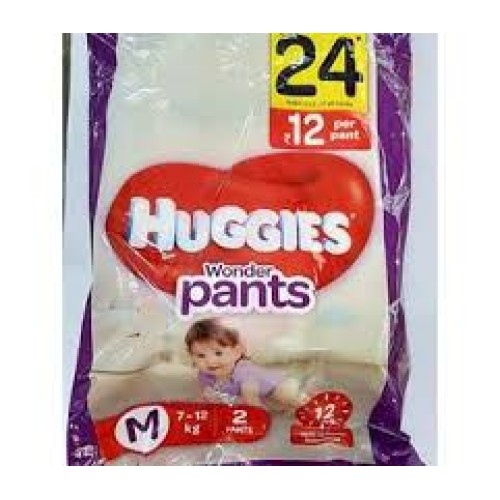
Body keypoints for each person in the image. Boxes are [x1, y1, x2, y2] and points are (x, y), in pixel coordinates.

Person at [185, 318, 306, 408]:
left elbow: (253, 403)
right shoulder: (204, 375)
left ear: (237, 352)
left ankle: (306, 402)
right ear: (192, 356)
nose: (210, 361)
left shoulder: (244, 373)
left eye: (218, 353)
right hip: (259, 395)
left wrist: (258, 413)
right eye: (200, 356)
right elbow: (207, 394)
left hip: (278, 384)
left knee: (285, 396)